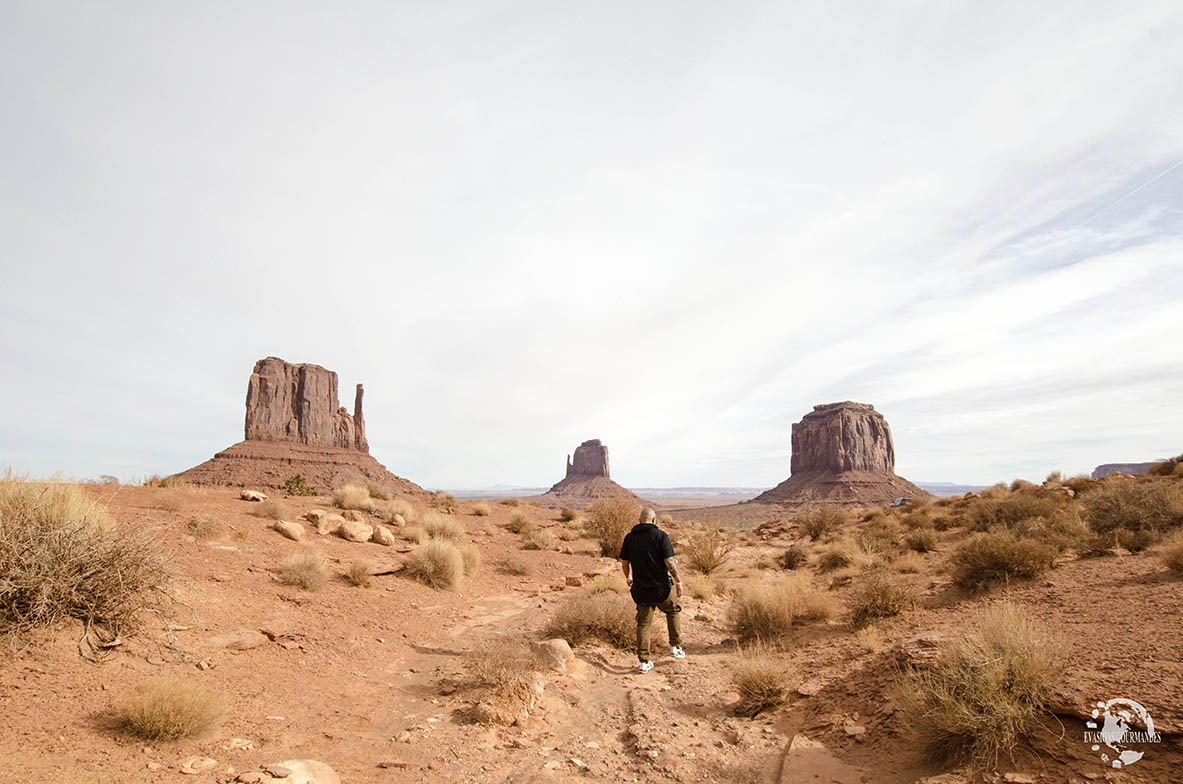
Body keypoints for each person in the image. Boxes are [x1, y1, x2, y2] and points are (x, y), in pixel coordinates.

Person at [618, 506, 684, 673]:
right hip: (662, 588)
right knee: (673, 610)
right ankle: (675, 647)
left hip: (642, 590)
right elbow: (669, 562)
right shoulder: (661, 536)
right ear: (654, 520)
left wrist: (628, 577)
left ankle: (644, 662)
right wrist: (678, 581)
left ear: (640, 521)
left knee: (644, 623)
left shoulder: (630, 538)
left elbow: (625, 563)